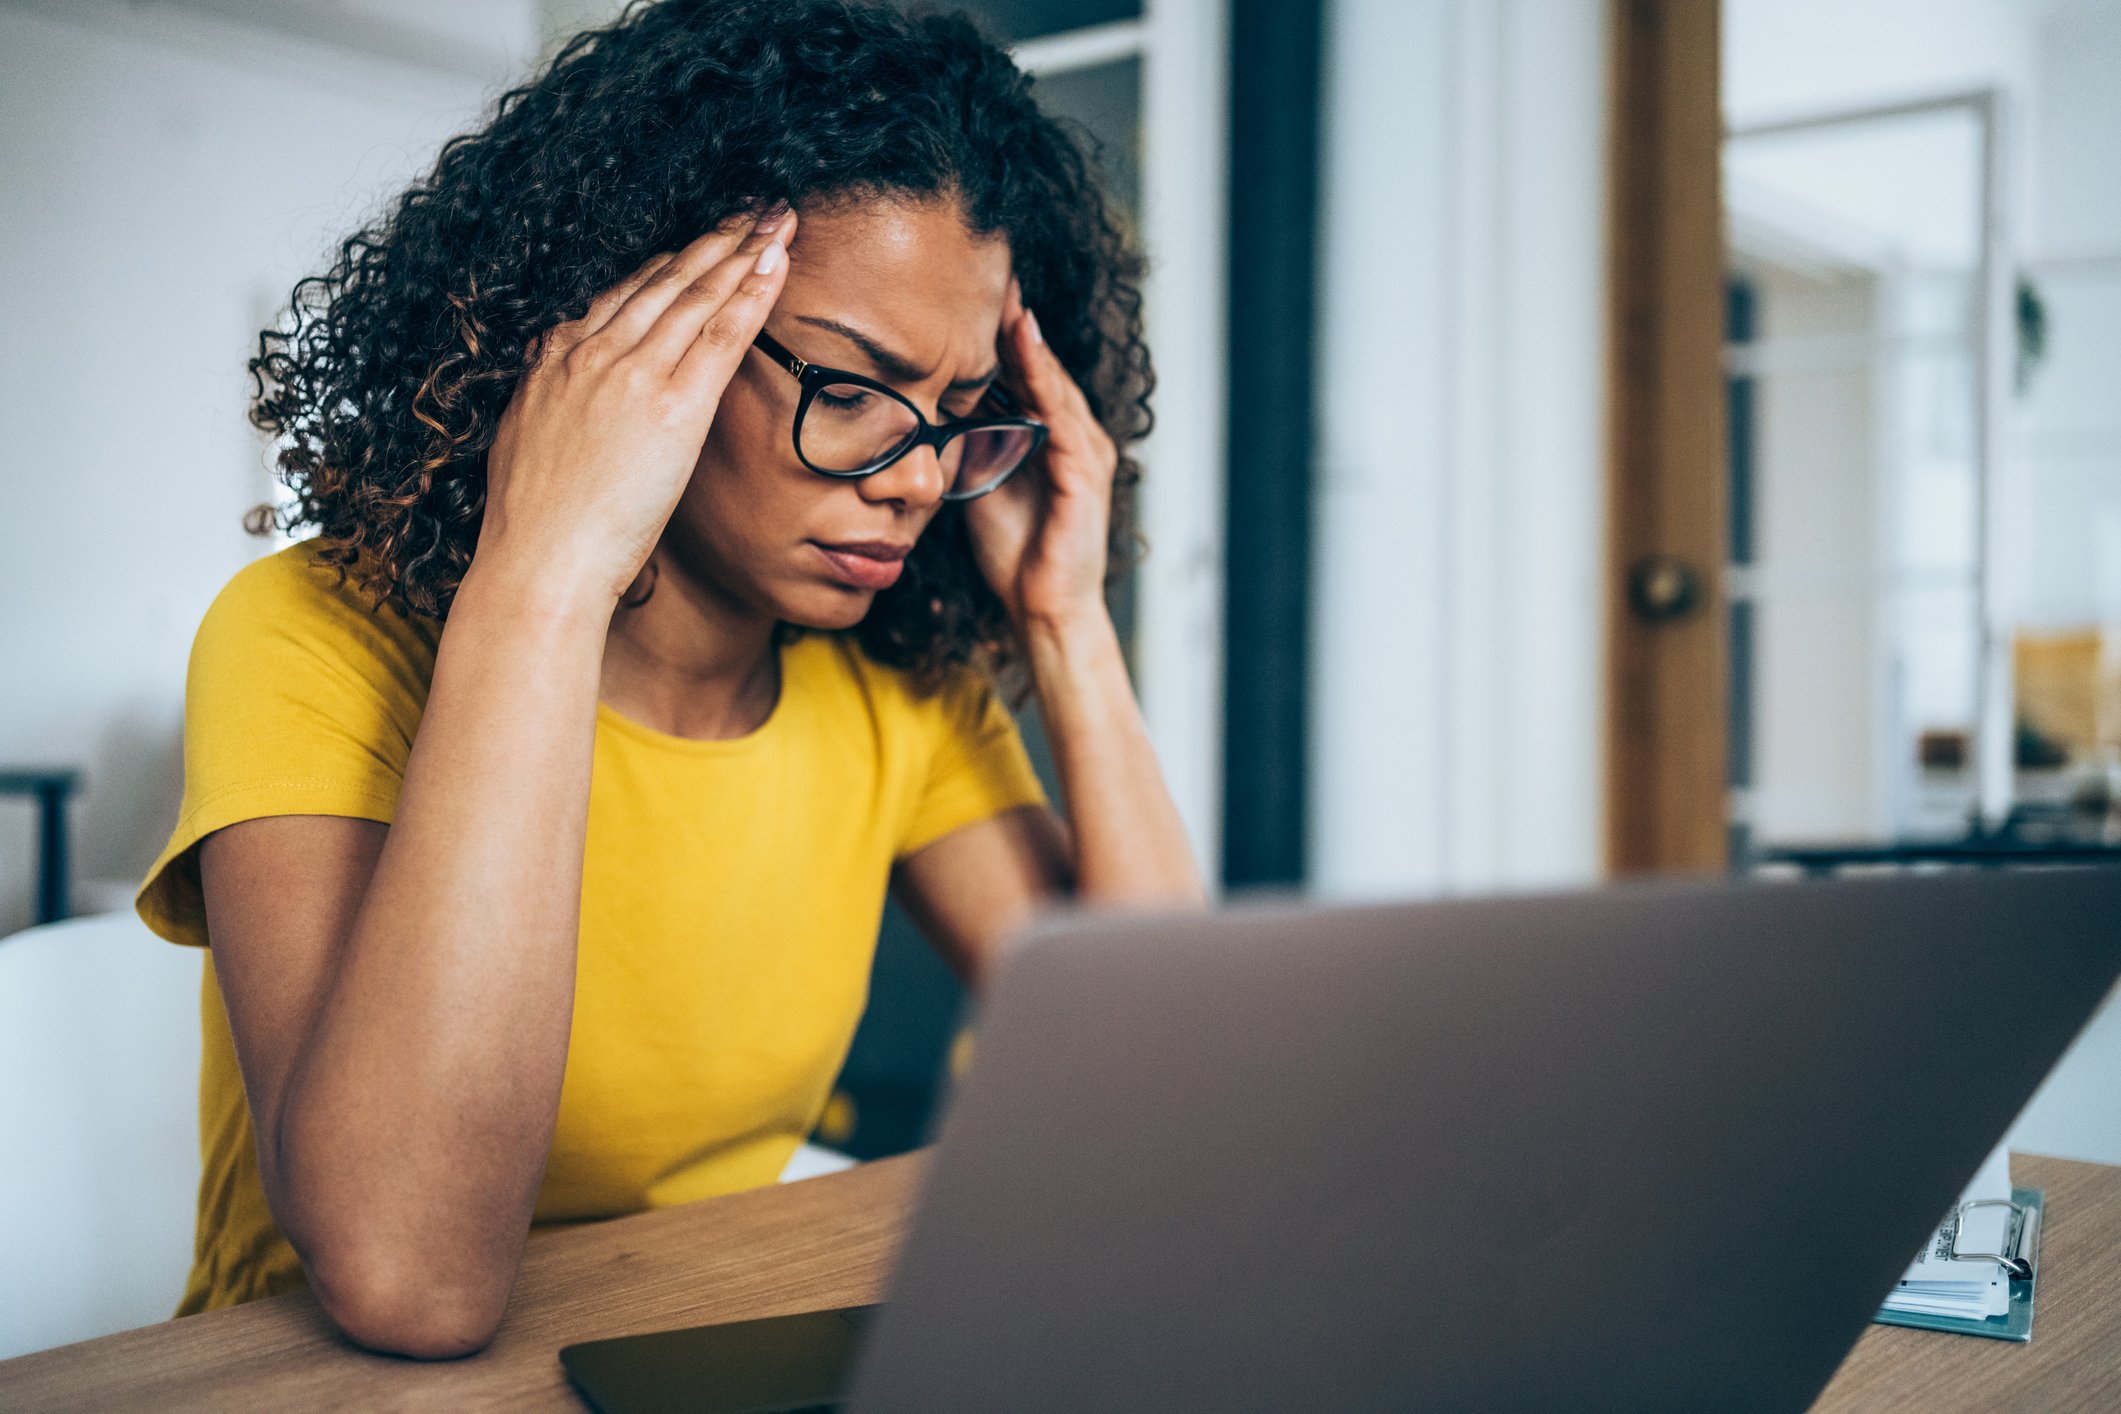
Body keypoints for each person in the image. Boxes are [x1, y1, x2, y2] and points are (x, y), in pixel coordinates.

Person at [134, 0, 1201, 1358]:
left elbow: (1168, 1089)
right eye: (856, 387)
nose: (922, 475)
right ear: (635, 337)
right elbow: (409, 1279)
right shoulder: (309, 637)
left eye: (951, 409)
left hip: (698, 1348)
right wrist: (545, 571)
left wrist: (1068, 624)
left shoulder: (897, 695)